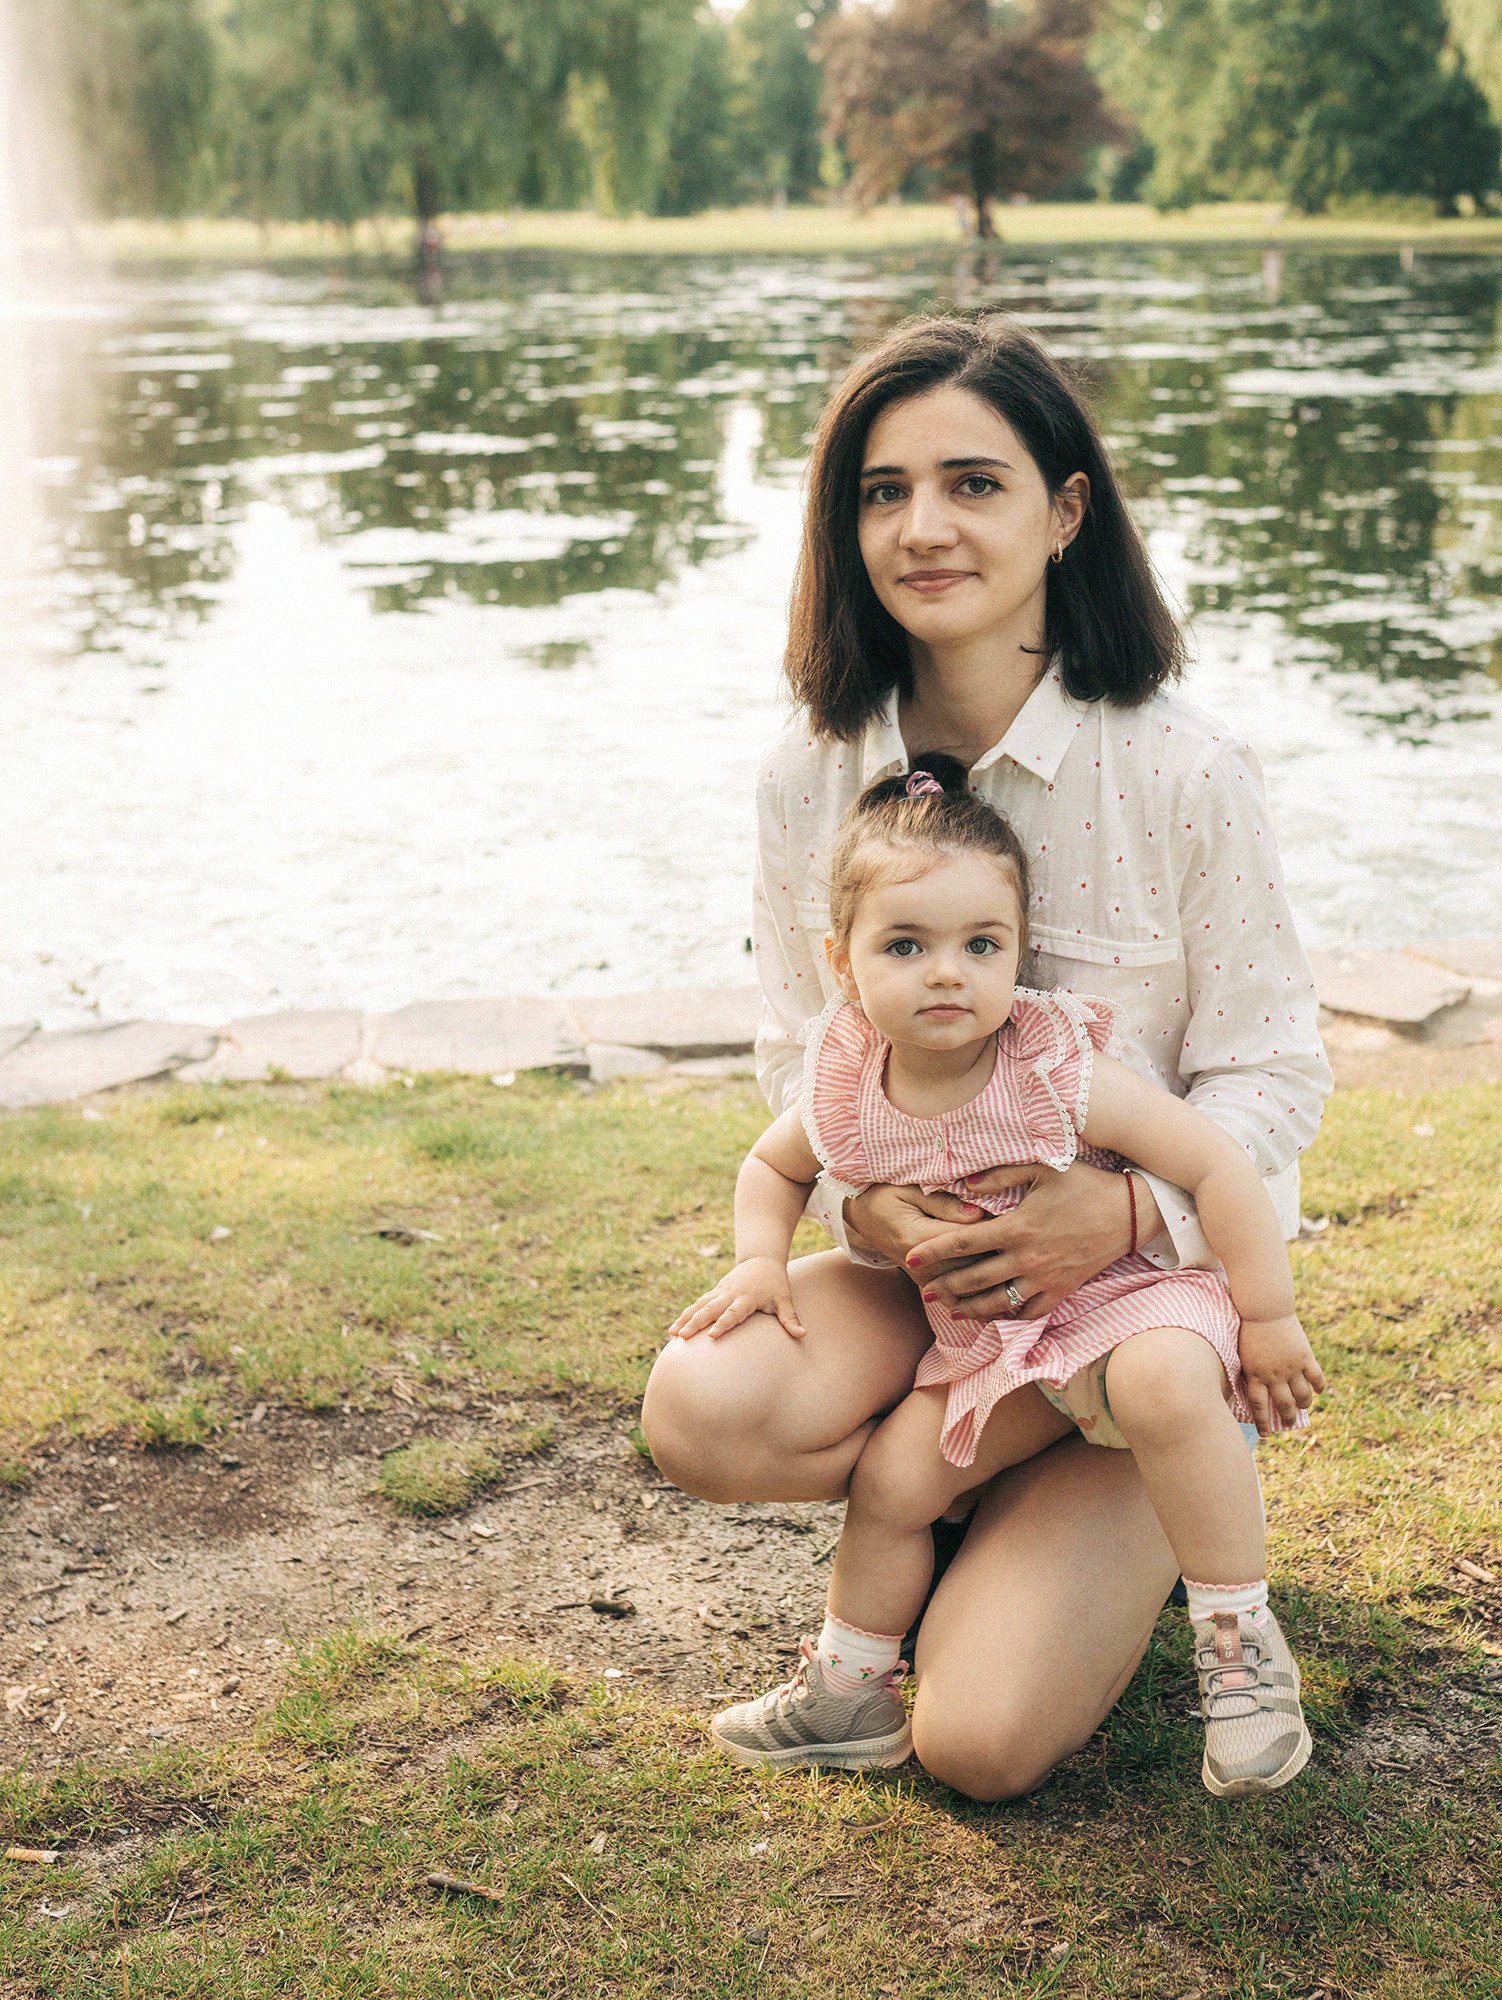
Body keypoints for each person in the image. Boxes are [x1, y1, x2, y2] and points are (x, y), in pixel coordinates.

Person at [640, 314, 1332, 1802]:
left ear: (1063, 511)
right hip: (932, 1286)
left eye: (972, 482)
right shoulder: (804, 774)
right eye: (881, 492)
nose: (922, 527)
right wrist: (862, 1209)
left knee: (978, 1747)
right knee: (700, 1404)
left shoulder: (1180, 769)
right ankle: (955, 1485)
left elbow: (1273, 1080)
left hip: (1143, 1308)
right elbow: (793, 1053)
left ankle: (1148, 1478)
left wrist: (1130, 1212)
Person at [669, 760, 1323, 1796]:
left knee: (1157, 1382)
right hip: (997, 1350)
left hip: (1127, 1302)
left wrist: (1268, 1313)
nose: (946, 973)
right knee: (893, 1477)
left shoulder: (1046, 1065)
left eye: (981, 946)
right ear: (843, 964)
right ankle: (849, 1687)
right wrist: (761, 1256)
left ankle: (1239, 1655)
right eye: (905, 946)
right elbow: (773, 1162)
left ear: (1019, 957)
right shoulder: (847, 1079)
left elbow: (1212, 1161)